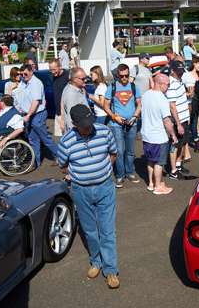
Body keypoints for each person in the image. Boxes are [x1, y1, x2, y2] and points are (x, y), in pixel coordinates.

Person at [57, 104, 120, 288]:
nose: (89, 126)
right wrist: (79, 175)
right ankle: (96, 261)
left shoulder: (104, 131)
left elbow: (113, 153)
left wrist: (104, 171)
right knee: (90, 230)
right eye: (84, 124)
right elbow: (63, 164)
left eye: (90, 122)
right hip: (81, 190)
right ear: (74, 124)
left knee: (107, 230)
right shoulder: (67, 141)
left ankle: (111, 270)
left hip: (105, 187)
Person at [104, 64, 142, 188]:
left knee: (130, 151)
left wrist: (135, 116)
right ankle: (120, 175)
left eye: (126, 75)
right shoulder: (112, 87)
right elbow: (106, 106)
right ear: (118, 75)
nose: (124, 78)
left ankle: (130, 172)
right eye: (122, 76)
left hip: (132, 123)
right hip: (116, 124)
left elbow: (139, 104)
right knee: (119, 151)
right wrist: (115, 117)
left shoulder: (134, 86)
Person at [141, 74, 178, 195]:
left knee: (150, 160)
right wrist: (173, 134)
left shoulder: (146, 95)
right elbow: (167, 121)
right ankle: (158, 187)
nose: (168, 87)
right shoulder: (162, 99)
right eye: (167, 84)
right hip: (158, 136)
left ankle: (151, 184)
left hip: (146, 134)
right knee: (159, 162)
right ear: (160, 84)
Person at [21, 64, 58, 167]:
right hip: (31, 114)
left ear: (31, 71)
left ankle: (61, 156)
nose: (23, 76)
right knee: (33, 139)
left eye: (25, 73)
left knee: (45, 139)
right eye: (22, 74)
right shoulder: (24, 82)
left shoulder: (36, 83)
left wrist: (28, 115)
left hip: (37, 114)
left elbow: (36, 101)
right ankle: (36, 162)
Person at [165, 61, 191, 179]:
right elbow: (172, 106)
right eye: (178, 71)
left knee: (182, 143)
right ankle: (173, 171)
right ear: (172, 71)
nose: (181, 73)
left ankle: (178, 165)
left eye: (181, 71)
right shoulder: (171, 84)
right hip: (177, 121)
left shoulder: (179, 81)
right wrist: (179, 124)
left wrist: (187, 118)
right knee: (175, 145)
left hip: (184, 119)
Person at [61, 67, 90, 132]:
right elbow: (72, 118)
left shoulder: (77, 88)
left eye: (86, 77)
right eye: (83, 79)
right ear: (74, 79)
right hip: (80, 132)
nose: (85, 80)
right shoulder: (71, 94)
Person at [50, 59, 70, 137]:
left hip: (67, 112)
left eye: (54, 69)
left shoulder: (67, 75)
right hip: (58, 112)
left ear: (60, 67)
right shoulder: (54, 76)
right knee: (60, 138)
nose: (52, 72)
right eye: (50, 70)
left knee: (69, 136)